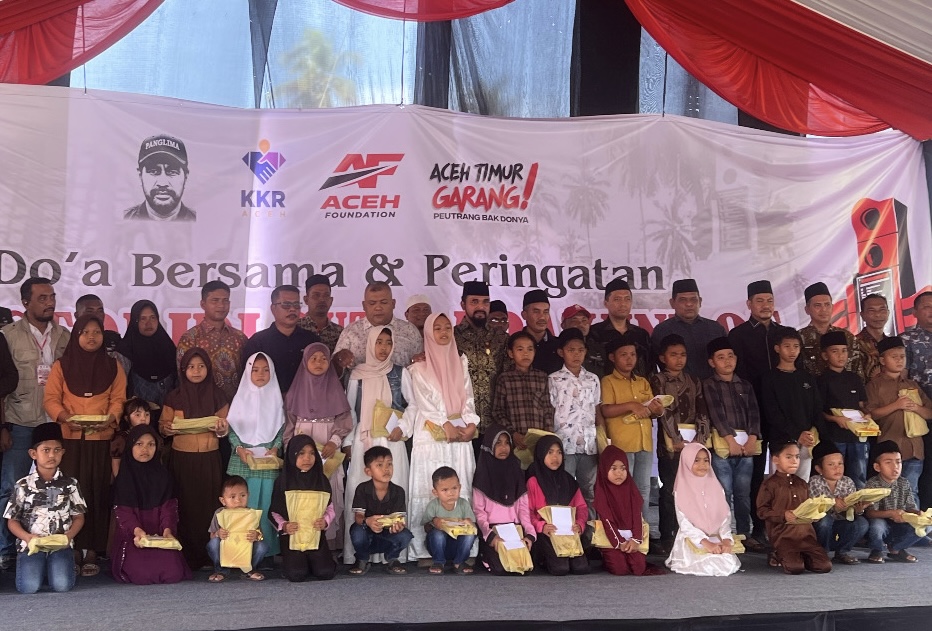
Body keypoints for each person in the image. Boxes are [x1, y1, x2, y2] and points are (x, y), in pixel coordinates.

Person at [43, 313, 126, 576]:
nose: (92, 337)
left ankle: (93, 550)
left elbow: (118, 399)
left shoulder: (113, 366)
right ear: (76, 335)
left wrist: (111, 418)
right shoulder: (62, 365)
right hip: (70, 440)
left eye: (97, 332)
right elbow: (51, 398)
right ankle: (72, 547)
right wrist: (64, 417)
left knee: (96, 493)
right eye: (85, 332)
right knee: (71, 494)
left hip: (101, 440)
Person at [0, 277, 69, 569]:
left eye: (51, 297)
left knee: (56, 488)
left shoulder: (64, 336)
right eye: (42, 298)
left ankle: (53, 545)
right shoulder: (7, 335)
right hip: (19, 419)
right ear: (25, 303)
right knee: (10, 488)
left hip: (54, 422)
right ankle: (5, 550)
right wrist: (3, 426)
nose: (49, 303)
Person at [401, 313, 478, 561]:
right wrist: (445, 423)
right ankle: (425, 551)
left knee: (458, 487)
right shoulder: (418, 368)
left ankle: (463, 549)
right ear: (428, 333)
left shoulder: (460, 362)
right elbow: (424, 402)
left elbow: (468, 396)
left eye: (447, 328)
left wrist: (471, 423)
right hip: (431, 435)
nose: (443, 332)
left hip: (459, 436)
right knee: (430, 486)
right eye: (437, 328)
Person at [727, 279, 797, 545]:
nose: (765, 305)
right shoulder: (738, 335)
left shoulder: (784, 334)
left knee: (785, 469)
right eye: (759, 301)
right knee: (754, 474)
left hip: (782, 414)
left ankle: (784, 525)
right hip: (753, 413)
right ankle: (757, 528)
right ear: (749, 304)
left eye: (769, 300)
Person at [160, 348, 230, 570]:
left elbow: (226, 427)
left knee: (209, 506)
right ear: (183, 370)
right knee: (185, 506)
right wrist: (167, 429)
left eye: (201, 366)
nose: (196, 371)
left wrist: (222, 429)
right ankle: (186, 556)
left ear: (208, 368)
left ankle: (209, 555)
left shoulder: (218, 395)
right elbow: (163, 426)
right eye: (191, 367)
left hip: (210, 458)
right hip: (182, 459)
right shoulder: (174, 396)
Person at [344, 327, 409, 565]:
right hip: (365, 441)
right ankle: (359, 554)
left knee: (394, 489)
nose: (383, 347)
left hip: (392, 440)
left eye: (388, 342)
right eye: (379, 342)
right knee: (360, 491)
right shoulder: (357, 374)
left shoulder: (400, 373)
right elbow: (350, 410)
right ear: (370, 344)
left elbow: (412, 405)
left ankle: (392, 555)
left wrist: (403, 427)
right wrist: (348, 441)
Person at [2, 423, 85, 593]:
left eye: (57, 450)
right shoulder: (23, 485)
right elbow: (12, 521)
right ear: (33, 454)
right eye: (46, 450)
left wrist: (68, 537)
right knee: (29, 587)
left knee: (62, 585)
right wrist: (27, 537)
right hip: (32, 546)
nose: (51, 455)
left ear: (63, 452)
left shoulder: (70, 484)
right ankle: (42, 568)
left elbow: (78, 516)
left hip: (60, 545)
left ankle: (53, 567)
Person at [284, 343, 352, 551]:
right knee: (302, 490)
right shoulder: (294, 392)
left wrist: (334, 442)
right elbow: (288, 427)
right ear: (305, 361)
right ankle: (302, 543)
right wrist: (291, 453)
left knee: (328, 490)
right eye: (313, 358)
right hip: (301, 445)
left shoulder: (336, 389)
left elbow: (344, 422)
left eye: (324, 358)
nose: (319, 363)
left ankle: (328, 545)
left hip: (327, 448)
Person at [650, 333, 710, 552]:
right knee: (669, 490)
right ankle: (668, 535)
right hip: (670, 446)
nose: (679, 359)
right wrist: (675, 439)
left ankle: (690, 533)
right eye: (673, 354)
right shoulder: (657, 380)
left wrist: (700, 440)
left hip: (693, 445)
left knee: (693, 490)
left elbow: (702, 410)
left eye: (683, 354)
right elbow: (663, 411)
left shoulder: (694, 381)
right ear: (662, 358)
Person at [702, 338, 762, 551]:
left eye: (730, 356)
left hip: (746, 447)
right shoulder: (709, 384)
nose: (727, 361)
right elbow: (716, 414)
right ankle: (724, 533)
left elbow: (754, 413)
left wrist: (753, 438)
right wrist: (730, 440)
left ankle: (744, 533)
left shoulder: (745, 385)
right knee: (724, 492)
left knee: (743, 493)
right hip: (723, 448)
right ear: (711, 362)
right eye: (721, 357)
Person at [111, 424, 191, 584]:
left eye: (151, 444)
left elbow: (169, 509)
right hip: (134, 535)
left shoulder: (163, 476)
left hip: (160, 533)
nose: (145, 449)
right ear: (130, 446)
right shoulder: (124, 478)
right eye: (139, 444)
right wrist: (138, 531)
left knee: (173, 573)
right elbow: (124, 514)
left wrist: (167, 531)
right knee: (141, 574)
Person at [226, 353, 286, 560]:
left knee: (267, 505)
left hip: (268, 460)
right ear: (248, 372)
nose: (261, 374)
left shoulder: (277, 399)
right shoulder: (240, 398)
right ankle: (242, 552)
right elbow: (231, 429)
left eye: (266, 370)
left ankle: (266, 552)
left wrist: (276, 448)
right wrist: (239, 448)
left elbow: (282, 429)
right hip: (243, 459)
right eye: (255, 370)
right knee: (244, 505)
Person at [600, 335, 665, 520]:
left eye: (633, 354)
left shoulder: (642, 381)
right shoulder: (608, 381)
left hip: (644, 441)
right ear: (612, 357)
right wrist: (630, 405)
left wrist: (657, 410)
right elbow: (605, 410)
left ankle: (643, 528)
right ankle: (624, 526)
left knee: (643, 488)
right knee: (622, 486)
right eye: (624, 355)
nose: (629, 359)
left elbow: (651, 410)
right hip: (622, 443)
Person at [865, 336, 932, 505]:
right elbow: (871, 414)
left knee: (912, 492)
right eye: (894, 356)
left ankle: (911, 522)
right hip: (888, 448)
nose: (899, 360)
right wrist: (896, 405)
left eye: (902, 356)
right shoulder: (874, 385)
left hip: (914, 448)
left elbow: (929, 413)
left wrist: (916, 408)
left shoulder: (912, 385)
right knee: (887, 494)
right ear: (882, 360)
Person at [756, 440, 832, 574]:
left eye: (797, 457)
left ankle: (800, 556)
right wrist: (783, 515)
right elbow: (762, 511)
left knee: (824, 566)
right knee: (795, 568)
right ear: (775, 459)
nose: (794, 461)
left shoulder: (802, 483)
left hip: (806, 536)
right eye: (789, 457)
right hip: (783, 537)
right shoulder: (769, 484)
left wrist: (814, 514)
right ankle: (777, 553)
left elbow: (808, 506)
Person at [268, 436, 337, 582]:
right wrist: (284, 526)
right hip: (292, 538)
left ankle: (313, 561)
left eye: (312, 453)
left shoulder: (321, 479)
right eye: (301, 453)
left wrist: (325, 521)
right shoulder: (283, 481)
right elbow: (273, 512)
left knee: (325, 573)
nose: (307, 458)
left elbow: (329, 507)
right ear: (292, 455)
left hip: (315, 537)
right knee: (296, 574)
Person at [665, 443, 740, 576]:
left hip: (717, 538)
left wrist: (726, 539)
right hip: (692, 539)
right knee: (707, 564)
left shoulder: (716, 486)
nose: (703, 465)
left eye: (706, 460)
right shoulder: (681, 490)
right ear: (687, 462)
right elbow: (684, 524)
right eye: (696, 460)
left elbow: (724, 516)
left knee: (726, 561)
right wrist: (705, 542)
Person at [759, 329, 824, 481]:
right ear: (777, 348)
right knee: (780, 482)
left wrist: (813, 433)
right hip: (781, 440)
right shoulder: (769, 378)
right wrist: (796, 433)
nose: (792, 351)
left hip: (806, 440)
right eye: (787, 346)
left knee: (802, 482)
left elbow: (816, 408)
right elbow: (772, 413)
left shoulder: (807, 377)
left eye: (796, 346)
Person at [548, 328, 600, 511]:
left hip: (589, 444)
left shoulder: (593, 379)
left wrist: (602, 438)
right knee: (564, 488)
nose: (576, 354)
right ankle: (567, 527)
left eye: (580, 350)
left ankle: (589, 526)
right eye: (571, 350)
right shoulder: (554, 379)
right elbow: (550, 410)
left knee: (589, 489)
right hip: (564, 443)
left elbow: (597, 408)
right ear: (561, 352)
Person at [472, 426, 535, 575]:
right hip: (492, 532)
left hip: (515, 531)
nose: (504, 447)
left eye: (507, 443)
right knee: (500, 569)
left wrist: (529, 535)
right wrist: (490, 536)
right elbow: (479, 512)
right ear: (490, 445)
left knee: (522, 568)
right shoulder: (482, 476)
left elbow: (523, 509)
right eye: (498, 443)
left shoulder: (516, 471)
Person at [593, 445, 664, 576]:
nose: (619, 473)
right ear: (604, 469)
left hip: (631, 536)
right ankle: (606, 557)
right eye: (613, 468)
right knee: (620, 569)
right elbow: (607, 521)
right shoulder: (602, 491)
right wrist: (619, 542)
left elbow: (637, 517)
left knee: (638, 568)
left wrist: (636, 539)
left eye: (623, 468)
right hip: (611, 538)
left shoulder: (631, 489)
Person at [526, 435, 590, 575]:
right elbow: (527, 511)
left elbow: (581, 507)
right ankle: (543, 559)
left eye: (559, 452)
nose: (555, 457)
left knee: (581, 568)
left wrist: (579, 524)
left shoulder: (569, 480)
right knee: (560, 569)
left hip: (568, 532)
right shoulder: (533, 481)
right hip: (546, 533)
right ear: (541, 454)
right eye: (550, 452)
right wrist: (541, 526)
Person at [454, 281, 508, 446]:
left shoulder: (501, 338)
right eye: (474, 302)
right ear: (463, 304)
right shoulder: (451, 337)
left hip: (495, 424)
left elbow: (507, 379)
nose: (481, 307)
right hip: (462, 423)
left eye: (485, 302)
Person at [176, 280, 247, 402]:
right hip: (201, 406)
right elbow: (182, 378)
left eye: (225, 300)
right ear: (203, 304)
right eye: (215, 300)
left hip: (236, 407)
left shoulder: (240, 337)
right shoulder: (190, 338)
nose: (221, 305)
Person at [348, 445, 414, 575]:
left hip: (387, 533)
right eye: (379, 465)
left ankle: (392, 558)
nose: (386, 469)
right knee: (357, 531)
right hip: (367, 532)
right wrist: (368, 521)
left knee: (405, 535)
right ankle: (362, 559)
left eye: (389, 464)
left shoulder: (398, 491)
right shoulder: (362, 489)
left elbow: (399, 518)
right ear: (368, 471)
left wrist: (398, 526)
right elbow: (358, 516)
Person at [816, 330, 870, 489]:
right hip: (835, 436)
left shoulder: (854, 378)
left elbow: (862, 405)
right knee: (834, 477)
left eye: (844, 351)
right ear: (825, 355)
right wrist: (835, 418)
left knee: (859, 476)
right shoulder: (821, 380)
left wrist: (867, 415)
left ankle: (858, 504)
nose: (841, 355)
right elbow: (818, 411)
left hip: (857, 436)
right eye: (835, 351)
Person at [243, 285, 321, 393]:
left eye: (296, 305)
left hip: (305, 401)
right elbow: (248, 381)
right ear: (273, 309)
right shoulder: (258, 342)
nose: (292, 309)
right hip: (268, 401)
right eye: (286, 305)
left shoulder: (311, 340)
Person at [333, 281, 423, 374]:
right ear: (364, 306)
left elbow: (420, 367)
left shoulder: (410, 331)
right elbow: (334, 370)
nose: (378, 308)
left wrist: (416, 361)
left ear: (393, 303)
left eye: (384, 302)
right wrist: (339, 359)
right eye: (372, 303)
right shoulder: (350, 332)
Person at [864, 440, 930, 563]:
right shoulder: (873, 483)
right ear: (877, 467)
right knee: (877, 526)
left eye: (898, 462)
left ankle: (896, 549)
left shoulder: (904, 482)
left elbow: (910, 506)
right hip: (881, 520)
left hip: (900, 521)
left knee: (925, 526)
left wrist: (918, 513)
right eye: (888, 463)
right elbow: (870, 513)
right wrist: (891, 513)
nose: (895, 467)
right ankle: (877, 550)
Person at [491, 330, 555, 452]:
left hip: (539, 441)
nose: (526, 353)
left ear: (535, 352)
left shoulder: (541, 377)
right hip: (515, 441)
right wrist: (513, 433)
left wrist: (548, 434)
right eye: (520, 349)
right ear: (511, 353)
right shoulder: (504, 378)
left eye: (530, 349)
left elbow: (547, 408)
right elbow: (498, 411)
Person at [807, 440, 869, 565]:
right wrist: (832, 502)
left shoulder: (847, 481)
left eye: (840, 463)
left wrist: (858, 509)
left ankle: (842, 552)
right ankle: (822, 552)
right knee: (825, 521)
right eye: (831, 464)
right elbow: (816, 507)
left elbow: (851, 510)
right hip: (821, 524)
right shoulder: (815, 481)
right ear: (819, 469)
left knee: (862, 523)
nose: (837, 468)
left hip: (840, 522)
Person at [650, 279, 726, 380]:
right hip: (678, 387)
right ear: (672, 303)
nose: (689, 304)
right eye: (682, 300)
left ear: (700, 301)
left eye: (693, 299)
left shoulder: (715, 328)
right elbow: (656, 364)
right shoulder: (662, 330)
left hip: (713, 387)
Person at [798, 282, 870, 381]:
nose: (824, 309)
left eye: (827, 305)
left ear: (832, 307)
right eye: (817, 306)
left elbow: (858, 372)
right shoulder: (799, 338)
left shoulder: (847, 337)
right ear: (807, 309)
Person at [115, 299, 177, 413]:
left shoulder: (168, 347)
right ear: (135, 321)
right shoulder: (125, 350)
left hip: (167, 415)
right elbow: (119, 388)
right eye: (143, 318)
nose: (149, 323)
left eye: (153, 318)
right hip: (137, 415)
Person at [206, 476, 270, 582]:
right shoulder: (219, 513)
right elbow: (212, 536)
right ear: (223, 500)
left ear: (248, 495)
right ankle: (221, 570)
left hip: (245, 550)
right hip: (227, 550)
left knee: (262, 546)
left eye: (243, 495)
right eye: (232, 497)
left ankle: (249, 570)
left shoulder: (251, 514)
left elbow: (260, 535)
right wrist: (218, 533)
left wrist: (256, 536)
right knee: (213, 543)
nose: (238, 500)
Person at [902, 291, 932, 508]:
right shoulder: (907, 339)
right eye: (926, 307)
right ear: (915, 312)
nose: (931, 311)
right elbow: (902, 378)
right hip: (921, 404)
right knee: (926, 463)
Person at [589, 278, 653, 378]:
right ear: (606, 303)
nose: (623, 304)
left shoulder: (641, 335)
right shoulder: (594, 333)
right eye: (617, 299)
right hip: (605, 386)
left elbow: (650, 368)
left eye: (627, 299)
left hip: (638, 386)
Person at [123, 134, 196, 221]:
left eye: (172, 172)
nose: (162, 183)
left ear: (186, 177)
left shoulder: (202, 222)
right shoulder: (124, 220)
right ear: (140, 176)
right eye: (153, 171)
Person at [422, 466, 477, 575]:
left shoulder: (463, 504)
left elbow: (474, 528)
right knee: (437, 534)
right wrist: (435, 522)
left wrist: (469, 524)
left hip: (457, 546)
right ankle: (439, 562)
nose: (450, 493)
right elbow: (426, 528)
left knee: (470, 534)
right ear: (435, 492)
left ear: (460, 487)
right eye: (445, 490)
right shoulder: (433, 506)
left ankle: (459, 562)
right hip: (438, 546)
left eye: (454, 488)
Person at [296, 274, 343, 354]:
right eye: (316, 295)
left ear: (331, 300)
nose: (322, 299)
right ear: (306, 300)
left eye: (326, 295)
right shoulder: (296, 328)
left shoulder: (339, 332)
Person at [519, 289, 562, 374]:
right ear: (524, 315)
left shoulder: (560, 345)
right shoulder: (513, 344)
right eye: (536, 311)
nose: (542, 317)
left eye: (546, 312)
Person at [111, 397, 155, 477]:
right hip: (127, 477)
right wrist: (120, 481)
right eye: (138, 415)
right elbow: (116, 462)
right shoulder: (121, 438)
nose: (143, 419)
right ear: (127, 418)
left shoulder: (152, 435)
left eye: (147, 414)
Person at [560, 303, 604, 377]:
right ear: (563, 325)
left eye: (584, 320)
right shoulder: (555, 349)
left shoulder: (598, 348)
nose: (580, 324)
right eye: (574, 320)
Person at [856, 293, 889, 380]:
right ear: (862, 315)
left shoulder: (891, 343)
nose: (877, 315)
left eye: (882, 310)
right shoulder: (854, 343)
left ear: (888, 313)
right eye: (871, 311)